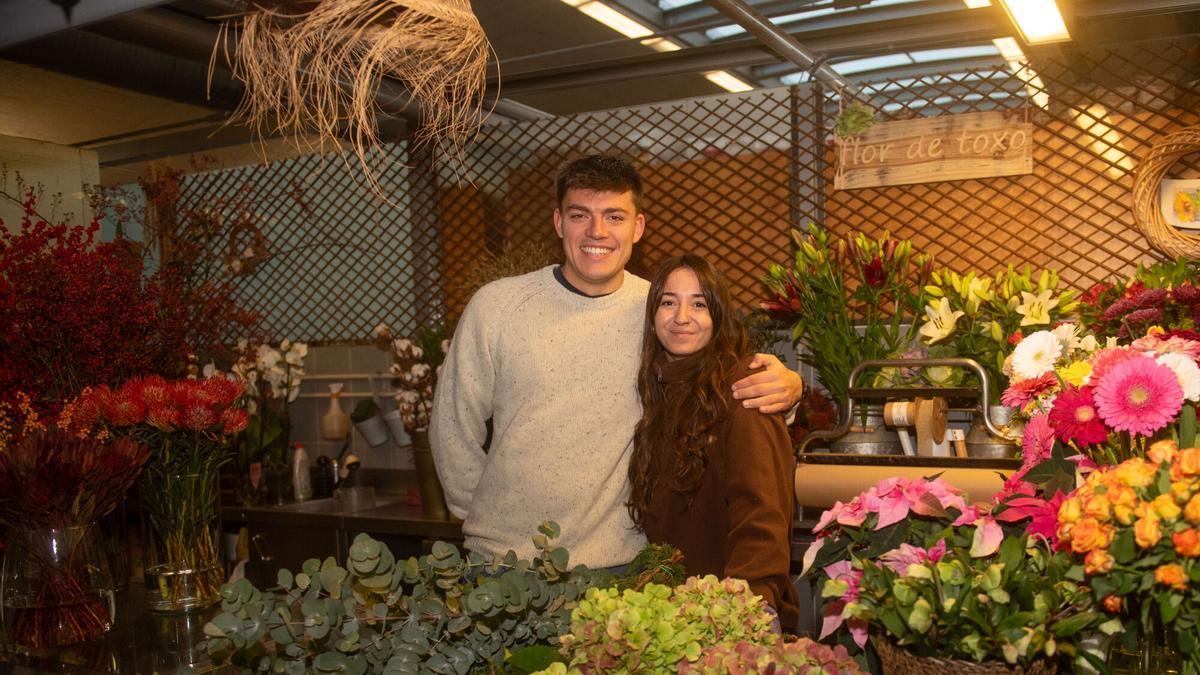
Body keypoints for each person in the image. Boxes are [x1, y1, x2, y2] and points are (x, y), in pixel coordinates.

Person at [430, 154, 802, 569]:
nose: (597, 232)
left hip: (618, 566)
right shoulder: (498, 306)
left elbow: (713, 383)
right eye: (580, 215)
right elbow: (452, 426)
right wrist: (484, 519)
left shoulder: (660, 310)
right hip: (503, 562)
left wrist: (788, 389)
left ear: (638, 227)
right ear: (558, 222)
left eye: (614, 217)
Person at [628, 253, 800, 630]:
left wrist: (744, 614)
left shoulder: (744, 391)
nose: (682, 317)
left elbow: (761, 517)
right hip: (681, 619)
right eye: (668, 302)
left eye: (699, 304)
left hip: (733, 619)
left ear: (719, 316)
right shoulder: (663, 391)